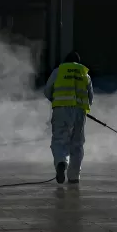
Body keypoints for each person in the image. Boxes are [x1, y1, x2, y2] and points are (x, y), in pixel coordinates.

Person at [44, 52, 94, 184]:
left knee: (60, 139)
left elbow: (47, 90)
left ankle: (61, 162)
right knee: (77, 143)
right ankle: (74, 177)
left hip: (61, 110)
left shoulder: (58, 71)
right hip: (79, 111)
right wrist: (82, 106)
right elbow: (90, 97)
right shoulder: (84, 74)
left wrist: (56, 101)